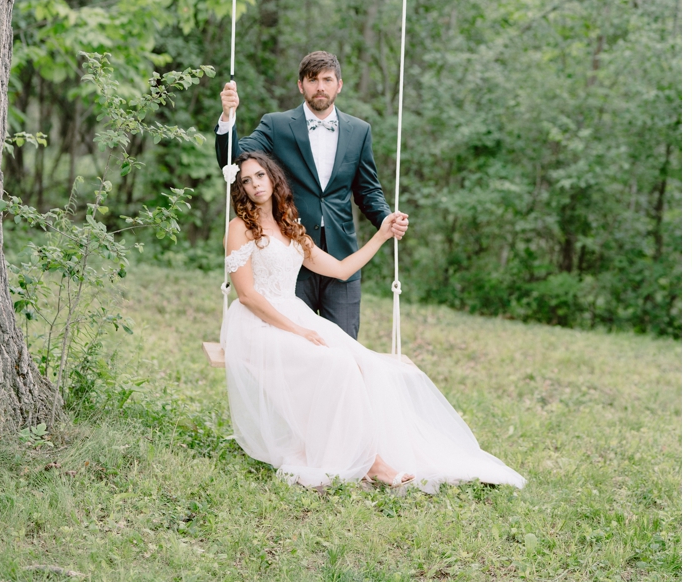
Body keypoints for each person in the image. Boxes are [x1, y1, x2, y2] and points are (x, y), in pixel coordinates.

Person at [221, 150, 525, 491]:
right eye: (246, 180)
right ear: (241, 189)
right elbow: (247, 295)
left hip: (293, 314)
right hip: (258, 324)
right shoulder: (239, 228)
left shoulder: (290, 227)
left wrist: (381, 235)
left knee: (365, 364)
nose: (254, 184)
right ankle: (373, 463)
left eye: (259, 175)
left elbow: (340, 269)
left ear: (273, 178)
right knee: (336, 364)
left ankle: (367, 453)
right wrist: (299, 330)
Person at [217, 50, 406, 340]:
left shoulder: (359, 131)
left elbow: (368, 190)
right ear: (300, 85)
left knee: (342, 351)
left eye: (327, 80)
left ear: (339, 85)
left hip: (340, 257)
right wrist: (227, 118)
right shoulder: (276, 124)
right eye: (312, 79)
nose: (320, 87)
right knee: (296, 351)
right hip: (290, 256)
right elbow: (236, 159)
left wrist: (386, 220)